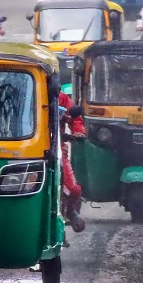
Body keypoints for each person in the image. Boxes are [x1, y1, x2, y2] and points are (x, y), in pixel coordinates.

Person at [58, 81, 87, 233]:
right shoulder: (28, 93)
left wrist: (78, 132)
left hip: (57, 149)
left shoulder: (62, 99)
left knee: (74, 189)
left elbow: (76, 120)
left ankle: (70, 211)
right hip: (32, 150)